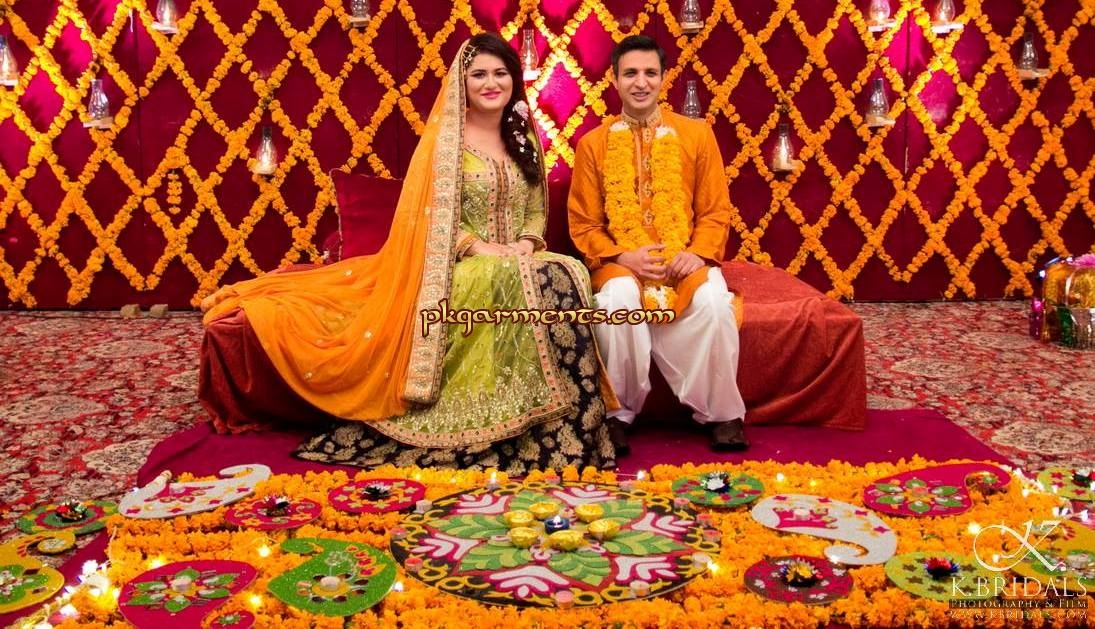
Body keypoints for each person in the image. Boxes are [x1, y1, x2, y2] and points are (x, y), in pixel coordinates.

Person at [200, 33, 615, 474]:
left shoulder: (522, 134)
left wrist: (526, 244)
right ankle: (508, 422)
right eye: (479, 75)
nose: (491, 83)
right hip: (454, 265)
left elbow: (534, 208)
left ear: (514, 79)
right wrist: (479, 247)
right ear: (462, 83)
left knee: (567, 271)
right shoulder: (446, 142)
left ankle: (569, 422)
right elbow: (429, 216)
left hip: (518, 257)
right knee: (542, 277)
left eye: (500, 73)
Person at [567, 35, 747, 454]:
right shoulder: (593, 144)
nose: (641, 82)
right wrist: (623, 256)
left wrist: (696, 253)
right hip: (621, 263)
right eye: (630, 73)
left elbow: (715, 211)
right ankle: (617, 416)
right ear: (614, 80)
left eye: (650, 73)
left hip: (683, 259)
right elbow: (584, 223)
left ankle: (723, 414)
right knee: (617, 301)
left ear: (664, 78)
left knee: (714, 303)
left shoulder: (697, 135)